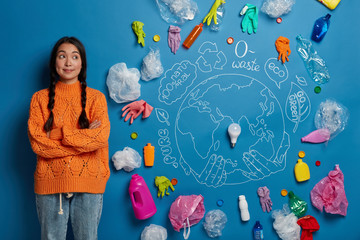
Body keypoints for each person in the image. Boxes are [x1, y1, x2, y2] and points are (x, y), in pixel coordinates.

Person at [27, 36, 110, 240]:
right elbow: (39, 144)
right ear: (54, 62)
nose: (68, 62)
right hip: (50, 181)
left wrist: (57, 134)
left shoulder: (96, 98)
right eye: (62, 56)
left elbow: (100, 137)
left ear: (82, 63)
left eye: (74, 56)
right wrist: (83, 141)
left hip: (89, 181)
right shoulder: (39, 99)